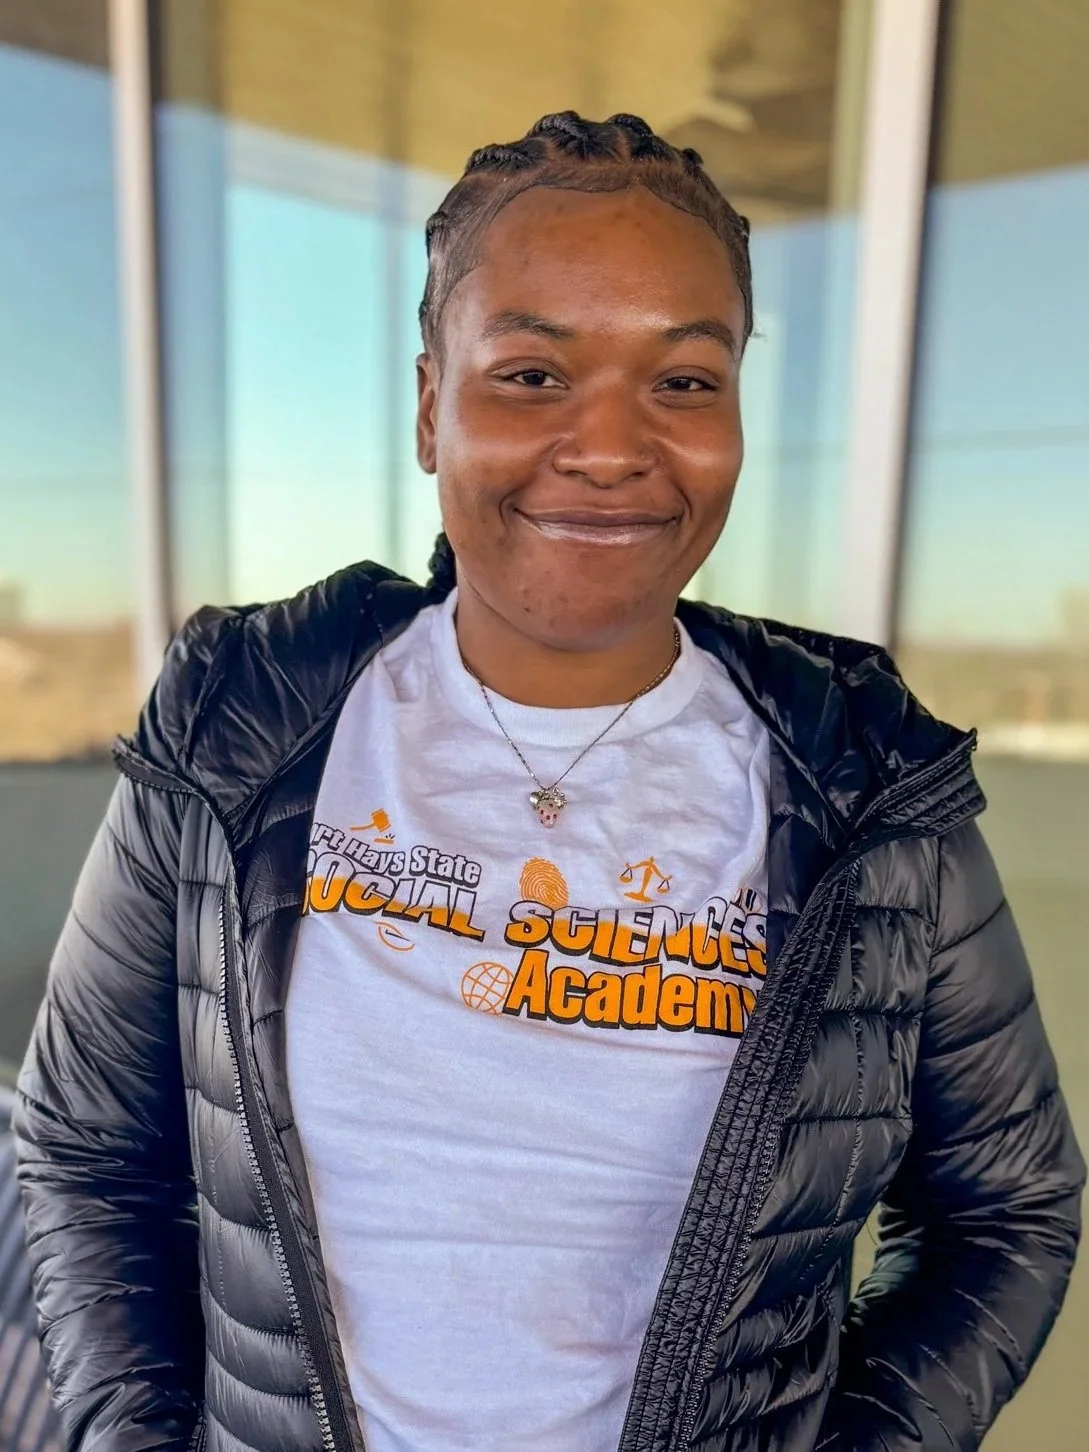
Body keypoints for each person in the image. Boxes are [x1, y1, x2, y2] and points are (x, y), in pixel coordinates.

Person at [12, 111, 1083, 1452]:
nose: (611, 446)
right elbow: (88, 1153)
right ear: (430, 408)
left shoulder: (867, 783)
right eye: (531, 374)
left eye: (683, 380)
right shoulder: (237, 722)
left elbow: (1007, 1209)